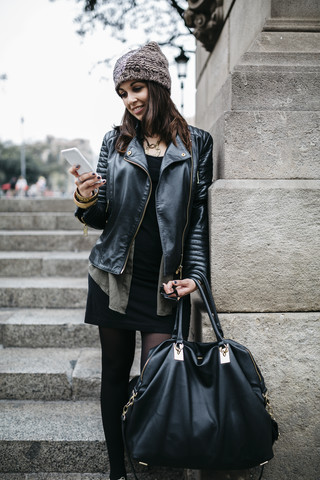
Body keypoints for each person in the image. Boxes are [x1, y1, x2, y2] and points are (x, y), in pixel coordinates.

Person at [69, 41, 213, 480]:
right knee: (114, 376)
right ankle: (117, 470)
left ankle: (147, 461)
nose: (130, 100)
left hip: (162, 284)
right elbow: (101, 215)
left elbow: (198, 220)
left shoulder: (197, 144)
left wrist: (197, 276)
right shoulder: (115, 141)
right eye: (122, 93)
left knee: (154, 380)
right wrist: (84, 197)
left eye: (136, 88)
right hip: (113, 276)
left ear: (157, 85)